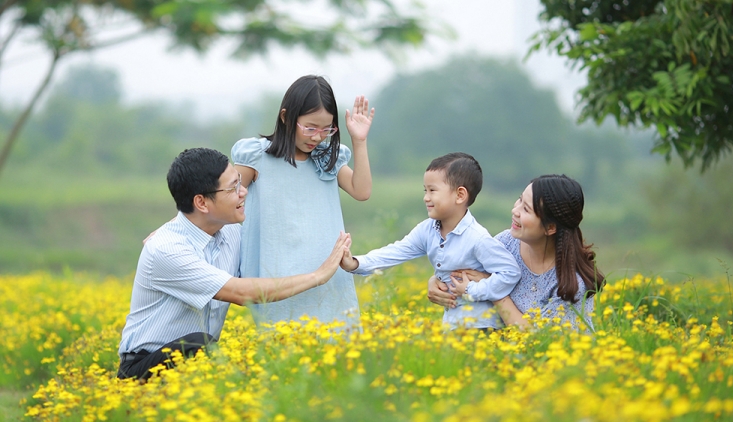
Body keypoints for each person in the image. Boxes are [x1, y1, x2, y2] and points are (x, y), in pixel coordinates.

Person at [117, 148, 351, 380]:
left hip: (194, 361)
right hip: (146, 366)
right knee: (201, 343)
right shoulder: (166, 249)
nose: (244, 192)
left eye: (240, 183)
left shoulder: (231, 233)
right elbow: (241, 292)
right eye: (233, 188)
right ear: (201, 202)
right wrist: (319, 276)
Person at [231, 75, 374, 327]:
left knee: (336, 349)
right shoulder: (257, 157)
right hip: (279, 272)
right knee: (282, 346)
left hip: (328, 274)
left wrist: (359, 141)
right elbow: (222, 198)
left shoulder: (327, 158)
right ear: (286, 117)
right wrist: (182, 227)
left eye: (326, 129)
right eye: (310, 128)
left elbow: (362, 191)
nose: (318, 137)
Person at [340, 152, 522, 330]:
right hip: (452, 324)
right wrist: (355, 263)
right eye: (425, 190)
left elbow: (510, 272)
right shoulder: (427, 229)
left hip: (481, 327)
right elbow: (395, 252)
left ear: (460, 195)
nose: (426, 197)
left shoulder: (477, 238)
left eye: (432, 190)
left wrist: (471, 290)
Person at [428, 174, 605, 330]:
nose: (515, 211)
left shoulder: (571, 284)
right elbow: (465, 270)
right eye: (520, 200)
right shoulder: (505, 243)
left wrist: (493, 290)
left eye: (526, 209)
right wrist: (435, 281)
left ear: (550, 227)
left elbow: (536, 338)